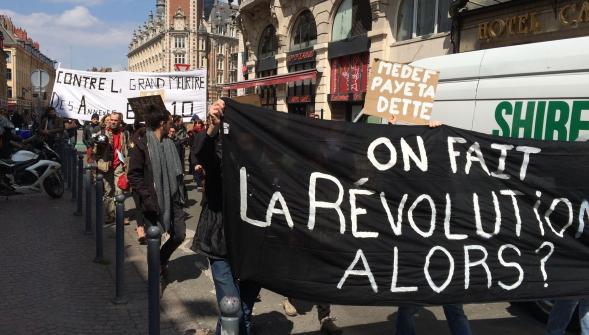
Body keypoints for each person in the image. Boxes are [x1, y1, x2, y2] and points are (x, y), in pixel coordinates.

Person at [388, 115, 472, 335]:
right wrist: (391, 129)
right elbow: (393, 164)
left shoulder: (449, 181)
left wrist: (434, 133)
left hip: (440, 252)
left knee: (426, 306)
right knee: (412, 306)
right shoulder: (413, 178)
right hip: (422, 251)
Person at [190, 100, 261, 335]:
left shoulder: (263, 157)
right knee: (232, 306)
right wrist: (212, 127)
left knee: (244, 311)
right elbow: (200, 153)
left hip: (252, 242)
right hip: (220, 240)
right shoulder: (219, 150)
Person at [127, 105, 186, 274]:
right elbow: (134, 175)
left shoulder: (170, 143)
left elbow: (177, 174)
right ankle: (155, 279)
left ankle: (161, 259)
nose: (172, 125)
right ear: (162, 123)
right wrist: (147, 198)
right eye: (169, 122)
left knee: (179, 235)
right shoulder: (142, 144)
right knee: (155, 240)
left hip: (173, 198)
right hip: (153, 201)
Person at [95, 112, 129, 224]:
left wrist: (126, 163)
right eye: (112, 120)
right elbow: (96, 151)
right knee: (108, 191)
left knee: (119, 191)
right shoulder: (102, 133)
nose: (113, 122)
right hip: (106, 165)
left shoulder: (124, 133)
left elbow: (127, 148)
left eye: (115, 120)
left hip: (119, 164)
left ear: (120, 121)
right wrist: (100, 145)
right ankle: (110, 215)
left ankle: (120, 215)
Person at [128, 120, 147, 243]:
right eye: (141, 126)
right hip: (137, 177)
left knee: (144, 204)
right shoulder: (133, 140)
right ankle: (140, 228)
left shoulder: (152, 139)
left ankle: (143, 227)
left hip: (147, 177)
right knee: (139, 204)